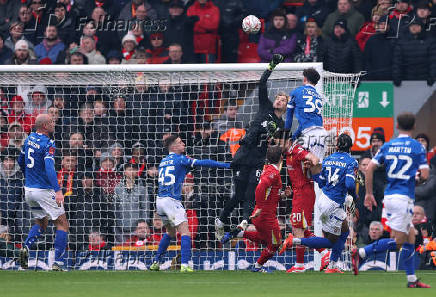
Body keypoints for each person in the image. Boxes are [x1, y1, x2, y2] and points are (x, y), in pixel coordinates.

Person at [352, 112, 431, 288]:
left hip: (389, 197)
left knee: (411, 235)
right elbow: (425, 175)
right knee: (399, 240)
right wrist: (415, 179)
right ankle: (362, 252)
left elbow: (370, 168)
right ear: (414, 126)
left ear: (397, 126)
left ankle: (412, 280)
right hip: (404, 198)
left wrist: (368, 194)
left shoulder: (388, 146)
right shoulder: (417, 147)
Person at [215, 54, 288, 239]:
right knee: (238, 195)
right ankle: (221, 219)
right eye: (278, 98)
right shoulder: (266, 107)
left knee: (251, 194)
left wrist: (273, 136)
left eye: (283, 100)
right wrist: (271, 66)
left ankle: (244, 223)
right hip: (244, 153)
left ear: (287, 106)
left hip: (258, 159)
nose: (279, 101)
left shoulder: (282, 126)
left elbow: (279, 147)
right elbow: (262, 84)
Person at [149, 134, 230, 272]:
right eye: (180, 142)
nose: (184, 144)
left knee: (170, 232)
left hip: (160, 201)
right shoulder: (180, 159)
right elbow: (204, 162)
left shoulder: (163, 161)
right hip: (171, 201)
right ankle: (185, 265)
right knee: (185, 232)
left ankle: (156, 262)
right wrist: (226, 165)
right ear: (173, 147)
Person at [280, 133, 358, 274]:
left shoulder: (327, 160)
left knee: (345, 231)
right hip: (332, 204)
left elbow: (320, 182)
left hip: (323, 200)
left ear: (337, 146)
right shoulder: (351, 162)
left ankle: (332, 265)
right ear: (350, 146)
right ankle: (295, 241)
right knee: (331, 241)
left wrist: (312, 171)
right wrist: (353, 196)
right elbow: (350, 184)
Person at [221, 146, 291, 272]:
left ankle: (237, 233)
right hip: (265, 215)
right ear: (281, 157)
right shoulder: (272, 173)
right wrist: (260, 207)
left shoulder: (270, 169)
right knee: (275, 243)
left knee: (264, 238)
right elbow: (260, 189)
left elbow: (270, 193)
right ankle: (258, 266)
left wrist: (283, 195)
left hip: (262, 214)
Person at [17, 114, 69, 271]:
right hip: (44, 190)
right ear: (45, 126)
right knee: (62, 223)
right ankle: (58, 263)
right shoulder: (49, 143)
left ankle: (26, 246)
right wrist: (58, 190)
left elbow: (21, 160)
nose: (54, 124)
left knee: (41, 222)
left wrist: (29, 177)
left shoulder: (29, 138)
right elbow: (49, 167)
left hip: (29, 191)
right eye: (52, 122)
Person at [281, 138, 327, 273]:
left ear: (287, 141)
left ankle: (300, 264)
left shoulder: (297, 150)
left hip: (304, 192)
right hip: (298, 193)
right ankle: (323, 252)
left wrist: (312, 163)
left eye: (279, 142)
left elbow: (315, 159)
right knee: (300, 229)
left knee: (297, 227)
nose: (278, 145)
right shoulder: (288, 154)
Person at [285, 66, 326, 161]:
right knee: (316, 167)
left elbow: (289, 117)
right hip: (322, 133)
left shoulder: (296, 92)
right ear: (316, 83)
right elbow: (305, 122)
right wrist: (294, 136)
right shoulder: (319, 96)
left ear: (304, 79)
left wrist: (286, 135)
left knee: (295, 161)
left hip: (309, 135)